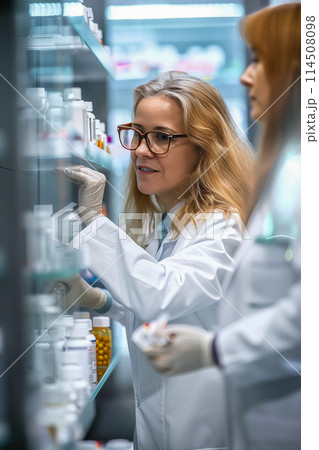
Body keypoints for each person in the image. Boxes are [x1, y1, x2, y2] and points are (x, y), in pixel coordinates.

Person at [58, 71, 253, 449]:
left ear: (203, 148)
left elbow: (161, 293)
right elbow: (174, 313)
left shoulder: (223, 227)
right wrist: (102, 301)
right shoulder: (168, 222)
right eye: (137, 133)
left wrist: (92, 220)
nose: (140, 150)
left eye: (162, 137)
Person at [143, 4, 301, 450]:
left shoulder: (299, 181)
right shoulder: (286, 174)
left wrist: (215, 350)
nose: (247, 76)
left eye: (260, 60)